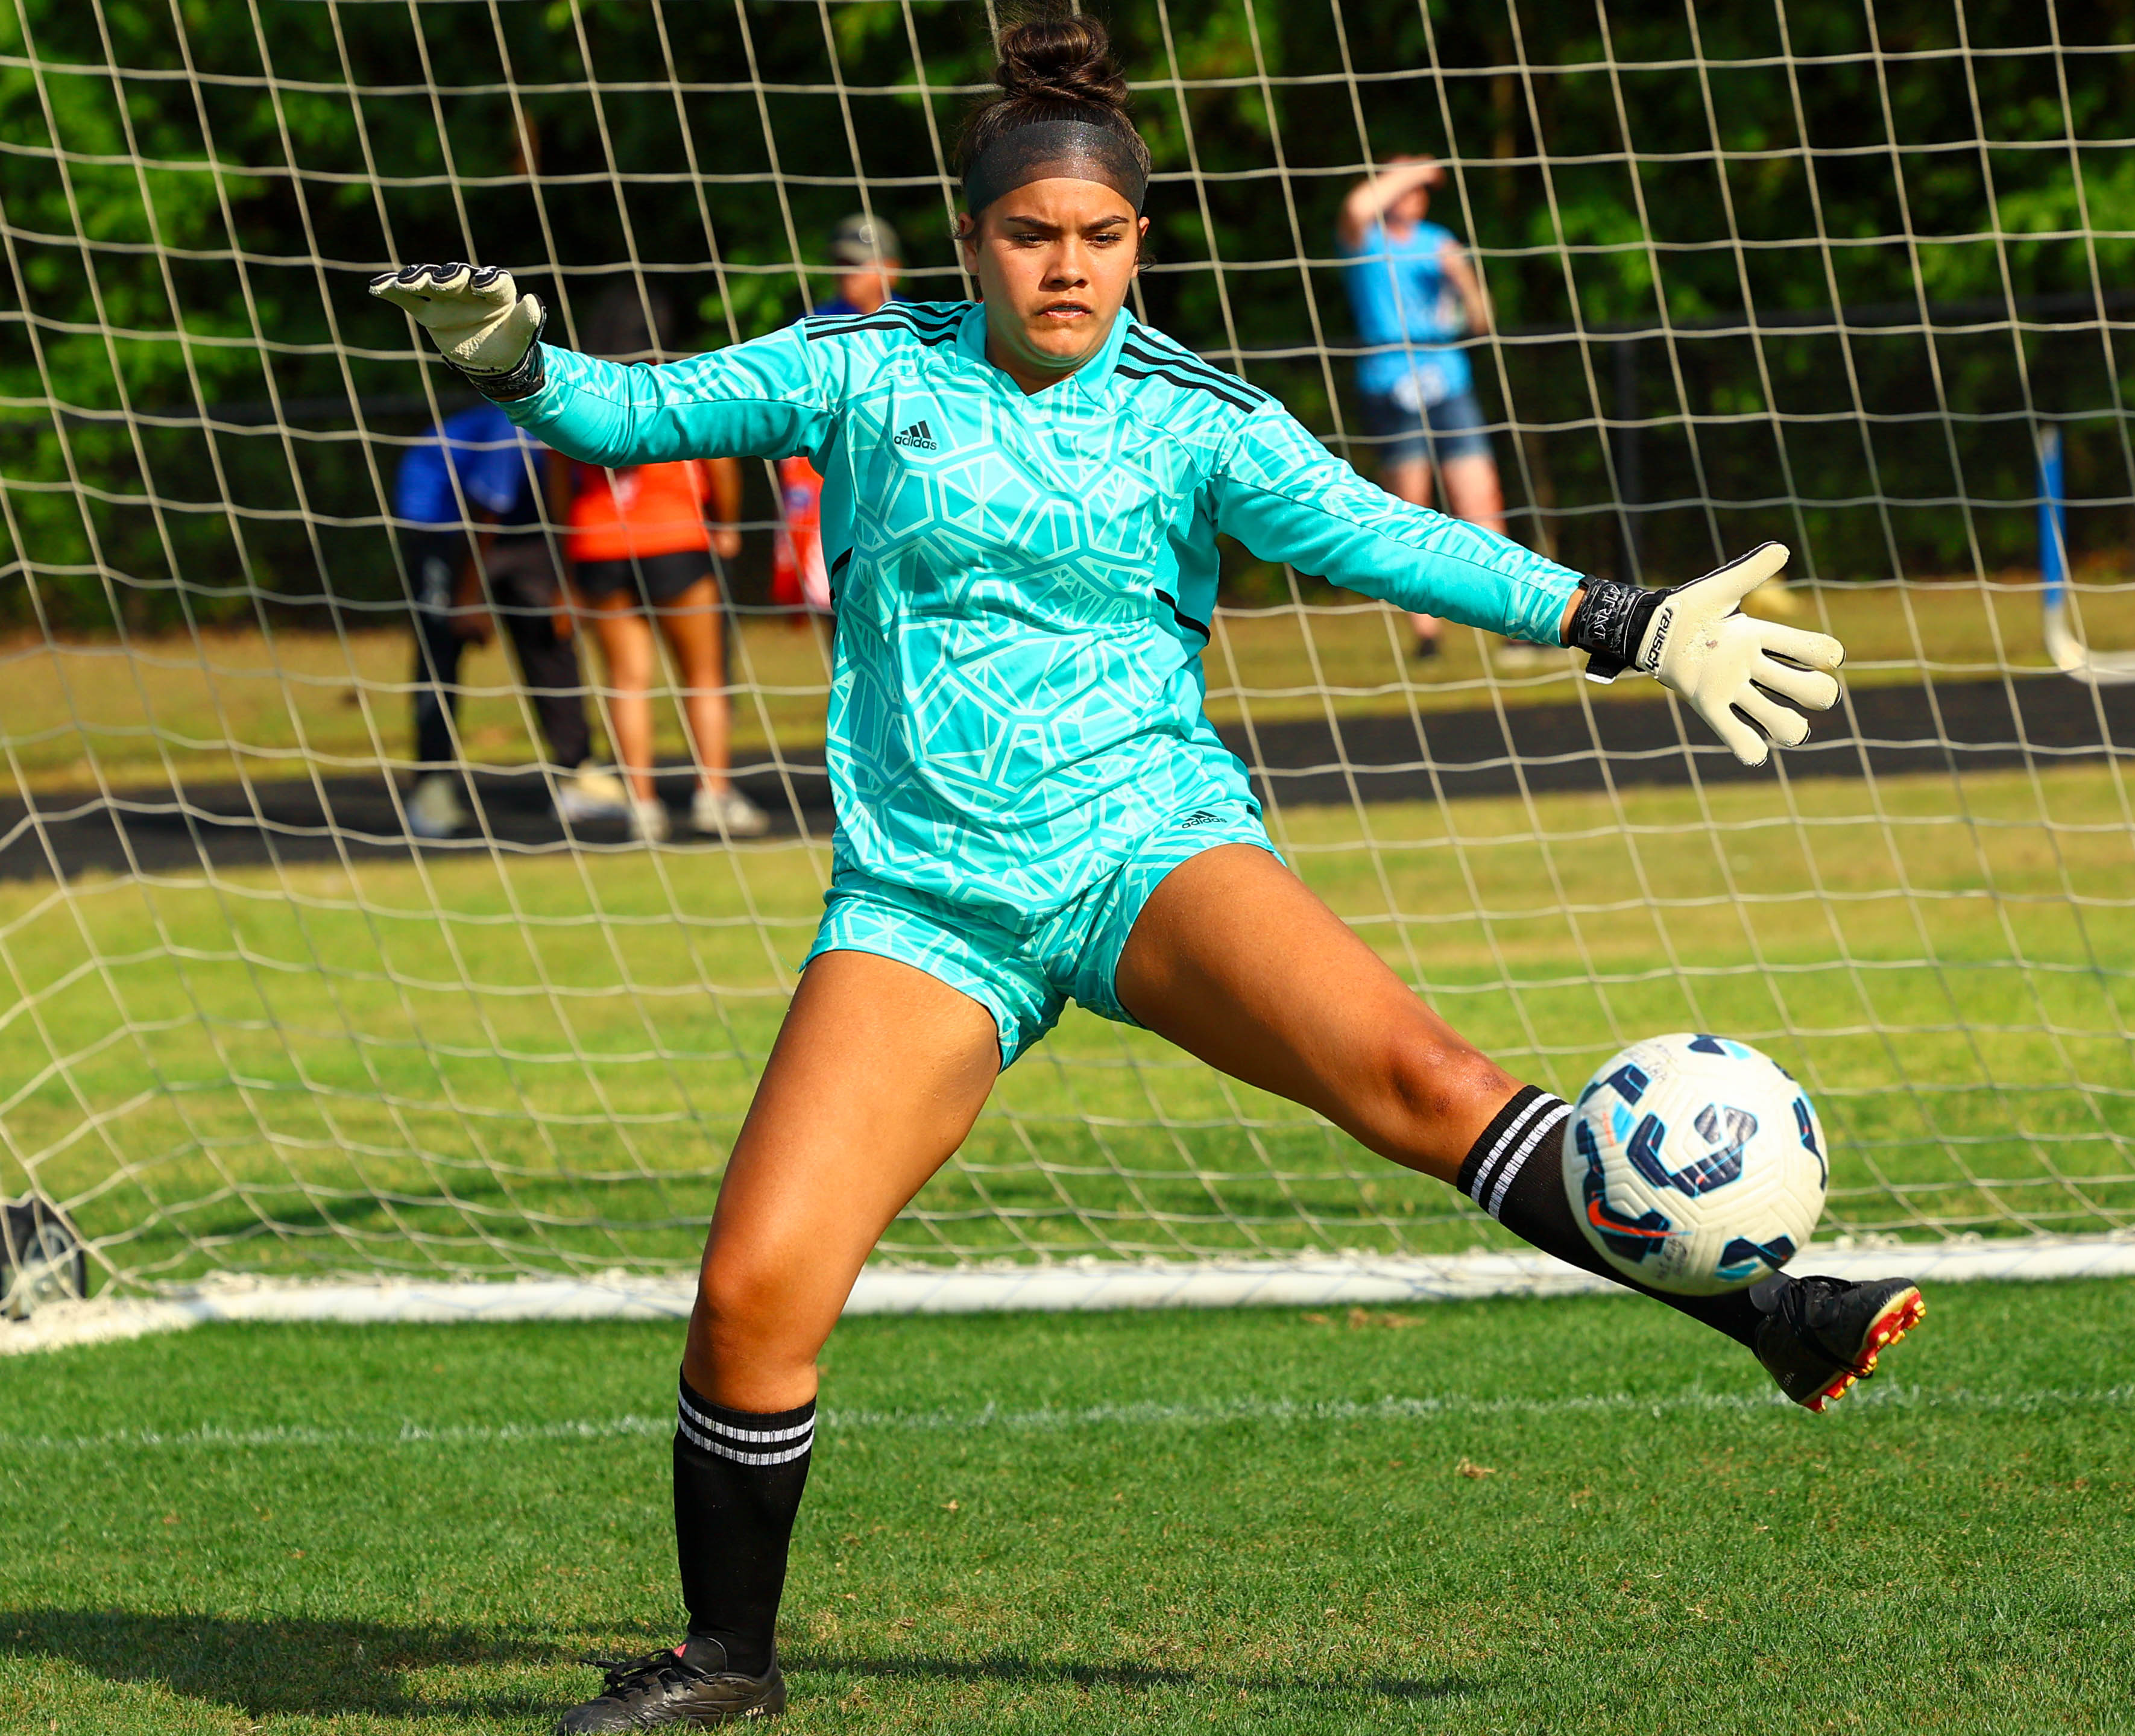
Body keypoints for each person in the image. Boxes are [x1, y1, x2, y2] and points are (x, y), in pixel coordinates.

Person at [373, 14, 1914, 1729]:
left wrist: (1623, 621)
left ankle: (1768, 1309)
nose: (1067, 268)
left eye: (1100, 237)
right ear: (970, 239)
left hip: (1149, 852)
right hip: (924, 907)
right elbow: (631, 413)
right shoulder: (863, 369)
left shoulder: (1198, 417)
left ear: (1139, 244)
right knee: (751, 1295)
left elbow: (1388, 536)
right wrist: (517, 362)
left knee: (1427, 1084)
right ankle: (728, 1660)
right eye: (1032, 234)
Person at [557, 283, 769, 844]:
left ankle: (643, 808)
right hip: (674, 537)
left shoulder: (580, 385)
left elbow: (556, 473)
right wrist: (726, 525)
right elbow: (718, 460)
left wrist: (567, 541)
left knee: (626, 681)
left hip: (599, 541)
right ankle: (713, 796)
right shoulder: (673, 379)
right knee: (703, 676)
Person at [390, 401, 625, 837]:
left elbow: (566, 508)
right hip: (447, 518)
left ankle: (577, 770)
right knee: (441, 642)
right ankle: (431, 785)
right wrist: (468, 599)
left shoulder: (603, 424)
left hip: (524, 523)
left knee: (550, 630)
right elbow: (485, 509)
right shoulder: (515, 428)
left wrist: (566, 586)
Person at [1339, 155, 1530, 667]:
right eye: (1402, 185)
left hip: (1449, 384)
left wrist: (1463, 281)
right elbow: (1357, 205)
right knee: (1409, 510)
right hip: (1390, 386)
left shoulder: (1439, 241)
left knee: (1481, 501)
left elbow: (1480, 319)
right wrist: (1418, 168)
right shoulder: (1365, 239)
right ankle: (1427, 637)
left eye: (1420, 187)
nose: (1413, 193)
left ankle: (1512, 624)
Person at [774, 215, 907, 615]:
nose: (845, 273)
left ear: (891, 269)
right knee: (829, 596)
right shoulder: (813, 325)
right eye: (840, 263)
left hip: (900, 476)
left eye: (857, 264)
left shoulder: (919, 327)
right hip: (829, 478)